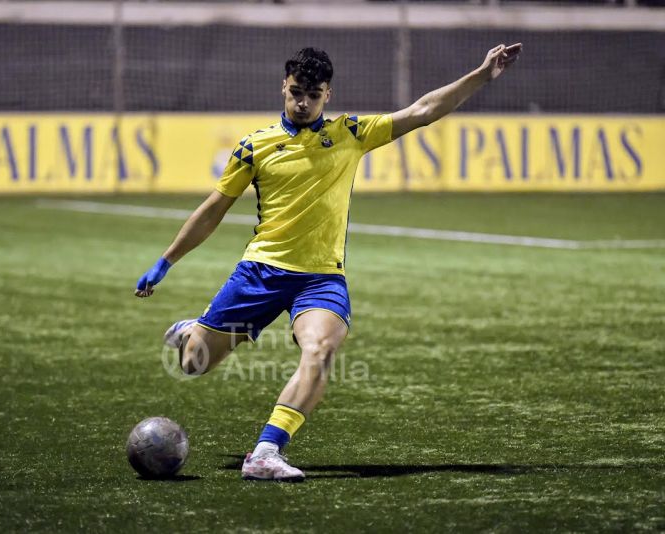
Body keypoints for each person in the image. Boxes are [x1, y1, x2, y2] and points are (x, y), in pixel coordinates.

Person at [135, 43, 522, 482]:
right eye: (296, 91)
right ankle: (191, 333)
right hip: (261, 272)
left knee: (320, 350)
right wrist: (166, 261)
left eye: (313, 95)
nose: (303, 102)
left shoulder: (350, 133)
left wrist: (481, 75)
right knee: (194, 365)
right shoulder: (254, 147)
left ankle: (265, 452)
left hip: (321, 277)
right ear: (284, 86)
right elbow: (214, 209)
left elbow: (423, 110)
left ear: (327, 95)